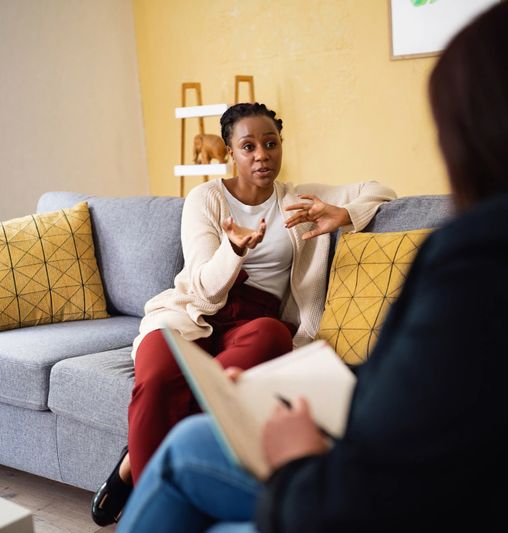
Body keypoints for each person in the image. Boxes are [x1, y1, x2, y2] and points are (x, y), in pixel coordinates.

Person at [116, 1, 508, 531]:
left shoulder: (489, 259)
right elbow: (449, 392)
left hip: (402, 509)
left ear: (487, 128)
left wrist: (297, 460)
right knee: (196, 442)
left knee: (187, 452)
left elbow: (378, 476)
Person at [89, 102, 396, 526]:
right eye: (248, 146)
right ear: (230, 152)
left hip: (256, 320)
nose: (261, 155)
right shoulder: (205, 198)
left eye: (270, 144)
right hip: (191, 312)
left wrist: (344, 214)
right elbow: (203, 290)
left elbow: (381, 191)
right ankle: (147, 506)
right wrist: (233, 250)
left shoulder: (298, 198)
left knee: (268, 341)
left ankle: (134, 464)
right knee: (157, 378)